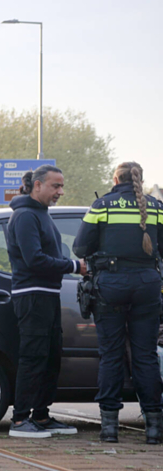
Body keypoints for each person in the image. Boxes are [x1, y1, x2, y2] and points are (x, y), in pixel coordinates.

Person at [74, 161, 163, 444]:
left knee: (111, 355)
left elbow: (79, 248)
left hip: (111, 286)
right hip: (148, 286)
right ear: (139, 179)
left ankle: (109, 428)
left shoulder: (103, 205)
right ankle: (153, 428)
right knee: (146, 355)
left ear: (115, 178)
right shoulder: (157, 208)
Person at [5, 165, 85, 439]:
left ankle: (40, 415)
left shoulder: (40, 214)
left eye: (62, 186)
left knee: (51, 357)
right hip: (32, 295)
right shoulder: (25, 216)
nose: (60, 192)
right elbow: (34, 259)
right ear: (37, 185)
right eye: (55, 186)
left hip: (47, 296)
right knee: (33, 357)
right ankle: (19, 421)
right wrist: (74, 265)